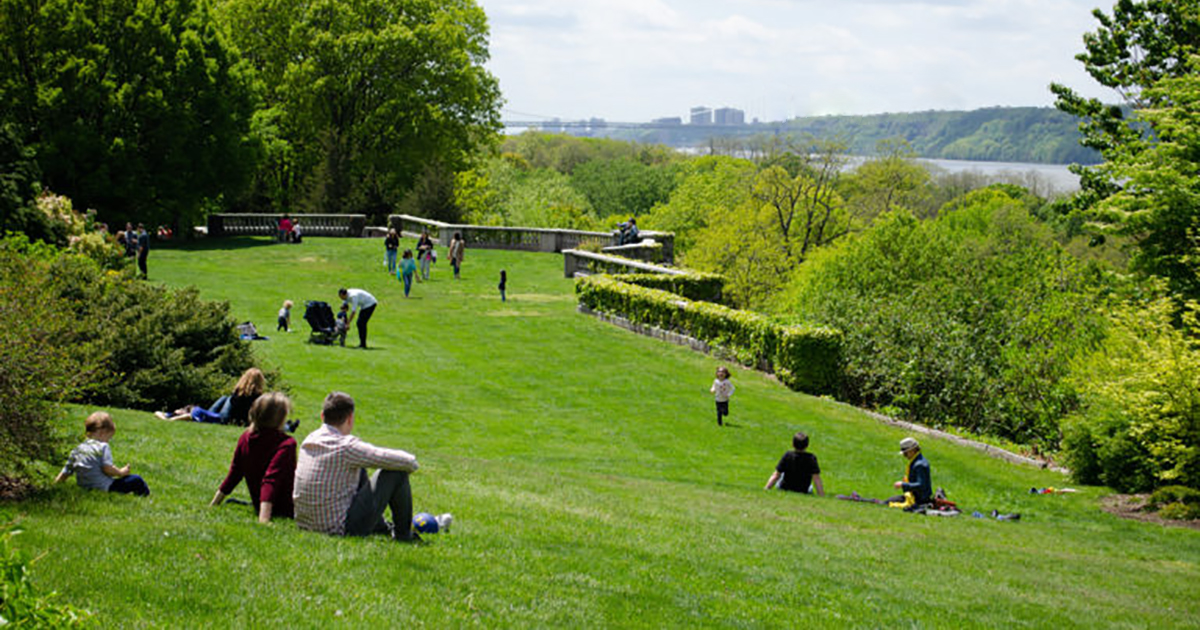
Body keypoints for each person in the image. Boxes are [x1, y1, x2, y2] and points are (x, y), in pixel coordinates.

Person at [293, 391, 437, 542]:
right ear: (350, 418)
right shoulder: (346, 446)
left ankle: (381, 527)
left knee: (358, 467)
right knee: (396, 472)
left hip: (305, 523)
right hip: (339, 528)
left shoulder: (309, 440)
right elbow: (407, 462)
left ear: (323, 416)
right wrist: (413, 462)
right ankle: (403, 535)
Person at [210, 392, 297, 524]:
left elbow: (234, 474)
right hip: (285, 508)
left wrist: (214, 503)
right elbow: (271, 479)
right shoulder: (286, 444)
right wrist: (264, 519)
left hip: (260, 503)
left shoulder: (245, 438)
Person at [54, 411, 150, 496]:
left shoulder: (77, 449)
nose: (108, 441)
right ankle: (145, 496)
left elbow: (66, 471)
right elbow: (107, 469)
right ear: (102, 433)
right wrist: (121, 472)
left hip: (85, 487)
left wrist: (56, 484)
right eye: (109, 437)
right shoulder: (103, 447)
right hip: (105, 488)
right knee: (136, 480)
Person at [155, 367, 265, 426]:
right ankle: (172, 416)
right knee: (223, 398)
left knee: (202, 409)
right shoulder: (258, 397)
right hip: (234, 420)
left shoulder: (238, 393)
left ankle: (172, 418)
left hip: (226, 419)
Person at [765, 432, 824, 496]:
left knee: (781, 475)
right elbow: (816, 478)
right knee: (810, 486)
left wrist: (766, 488)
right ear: (807, 445)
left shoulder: (787, 455)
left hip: (785, 487)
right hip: (803, 489)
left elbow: (776, 475)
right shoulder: (811, 458)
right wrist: (821, 495)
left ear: (792, 444)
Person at [890, 437, 933, 507]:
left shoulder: (920, 465)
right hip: (913, 496)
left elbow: (921, 485)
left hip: (918, 500)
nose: (904, 456)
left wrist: (903, 485)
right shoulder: (916, 461)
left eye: (905, 454)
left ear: (912, 451)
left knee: (888, 502)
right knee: (889, 500)